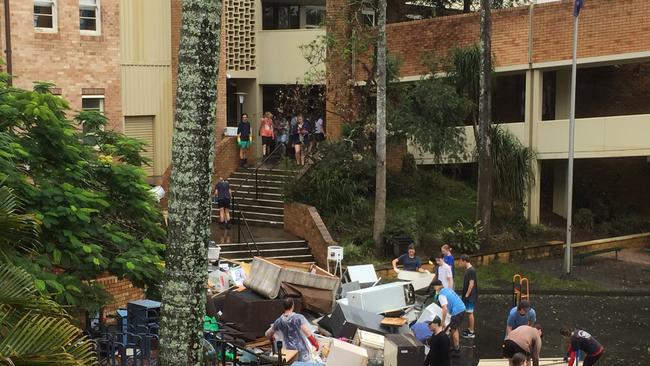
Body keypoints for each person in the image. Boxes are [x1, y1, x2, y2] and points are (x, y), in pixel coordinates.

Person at [265, 298, 319, 362]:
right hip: (301, 350)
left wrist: (272, 337)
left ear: (284, 307)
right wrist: (315, 344)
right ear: (292, 306)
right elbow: (307, 332)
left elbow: (268, 334)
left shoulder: (279, 321)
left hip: (289, 351)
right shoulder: (298, 318)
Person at [431, 279, 465, 357]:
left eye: (434, 287)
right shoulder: (447, 289)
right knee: (453, 328)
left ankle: (457, 350)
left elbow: (445, 308)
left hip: (457, 311)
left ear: (436, 287)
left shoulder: (441, 295)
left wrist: (442, 322)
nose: (434, 289)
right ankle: (455, 347)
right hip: (461, 308)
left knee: (453, 330)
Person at [459, 254, 477, 339]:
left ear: (464, 261)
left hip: (470, 296)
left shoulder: (471, 270)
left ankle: (471, 332)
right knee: (468, 313)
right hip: (467, 295)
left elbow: (471, 284)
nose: (460, 263)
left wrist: (466, 295)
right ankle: (469, 329)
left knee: (470, 313)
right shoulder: (467, 270)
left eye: (461, 261)